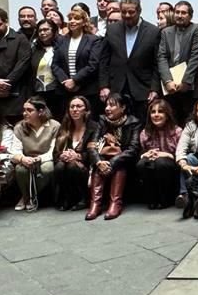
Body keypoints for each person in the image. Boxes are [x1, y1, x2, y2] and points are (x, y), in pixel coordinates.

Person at [98, 0, 160, 123]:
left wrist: (154, 89)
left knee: (141, 125)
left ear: (139, 11)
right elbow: (103, 60)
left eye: (131, 12)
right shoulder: (112, 29)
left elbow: (156, 63)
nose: (127, 15)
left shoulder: (153, 31)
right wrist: (104, 85)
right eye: (124, 12)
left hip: (142, 88)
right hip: (117, 87)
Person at [86, 93, 141, 221]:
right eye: (106, 105)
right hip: (103, 159)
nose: (107, 108)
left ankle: (115, 203)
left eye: (112, 105)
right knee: (99, 165)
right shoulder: (102, 121)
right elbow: (92, 145)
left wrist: (113, 162)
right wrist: (99, 162)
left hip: (125, 161)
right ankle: (95, 205)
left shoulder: (133, 122)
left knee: (118, 166)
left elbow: (133, 149)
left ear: (123, 108)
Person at [157, 0, 198, 124]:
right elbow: (161, 57)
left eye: (183, 13)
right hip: (170, 87)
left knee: (191, 122)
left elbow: (196, 57)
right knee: (172, 122)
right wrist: (167, 81)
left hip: (190, 87)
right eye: (177, 12)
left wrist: (185, 81)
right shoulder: (166, 32)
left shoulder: (197, 29)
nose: (179, 15)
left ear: (190, 16)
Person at [9, 97, 60, 212]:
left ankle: (31, 196)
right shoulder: (19, 127)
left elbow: (54, 151)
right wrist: (23, 159)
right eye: (24, 110)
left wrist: (39, 159)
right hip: (27, 159)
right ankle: (25, 196)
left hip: (46, 159)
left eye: (29, 110)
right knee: (20, 169)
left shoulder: (54, 126)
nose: (25, 113)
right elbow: (14, 151)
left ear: (40, 111)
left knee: (47, 168)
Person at [52, 7, 102, 118]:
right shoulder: (61, 40)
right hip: (65, 90)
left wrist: (75, 80)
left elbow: (93, 64)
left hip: (87, 89)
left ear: (84, 22)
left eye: (77, 19)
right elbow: (55, 64)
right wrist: (66, 81)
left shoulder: (93, 40)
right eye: (70, 19)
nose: (72, 21)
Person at [53, 96, 98, 211]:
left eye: (79, 106)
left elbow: (94, 152)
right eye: (72, 107)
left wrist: (78, 156)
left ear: (86, 110)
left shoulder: (94, 127)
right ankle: (67, 198)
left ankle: (84, 198)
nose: (75, 109)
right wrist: (62, 155)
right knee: (60, 165)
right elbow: (55, 153)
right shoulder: (64, 127)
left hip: (88, 166)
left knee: (73, 165)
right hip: (66, 164)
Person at [137, 98, 182, 209]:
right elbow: (140, 152)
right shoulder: (144, 132)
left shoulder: (178, 131)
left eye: (160, 112)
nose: (156, 115)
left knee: (161, 162)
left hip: (173, 165)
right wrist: (145, 154)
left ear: (167, 115)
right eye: (153, 112)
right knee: (142, 164)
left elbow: (183, 154)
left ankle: (165, 199)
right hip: (152, 163)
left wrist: (167, 155)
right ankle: (152, 199)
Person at [30, 19, 64, 120]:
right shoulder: (33, 49)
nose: (42, 33)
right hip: (39, 92)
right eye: (40, 31)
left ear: (54, 31)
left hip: (58, 92)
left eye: (45, 30)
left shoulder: (63, 46)